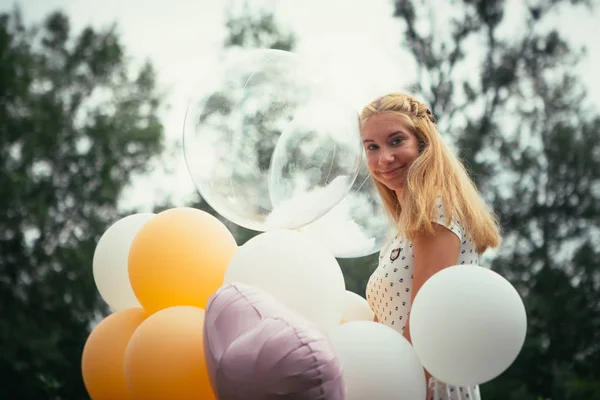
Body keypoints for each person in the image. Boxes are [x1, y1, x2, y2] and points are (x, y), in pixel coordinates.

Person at [361, 93, 501, 400]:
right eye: (372, 146)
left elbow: (427, 320)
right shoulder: (402, 233)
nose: (384, 158)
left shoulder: (435, 211)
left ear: (423, 144)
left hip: (425, 388)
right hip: (396, 384)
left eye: (396, 141)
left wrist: (409, 389)